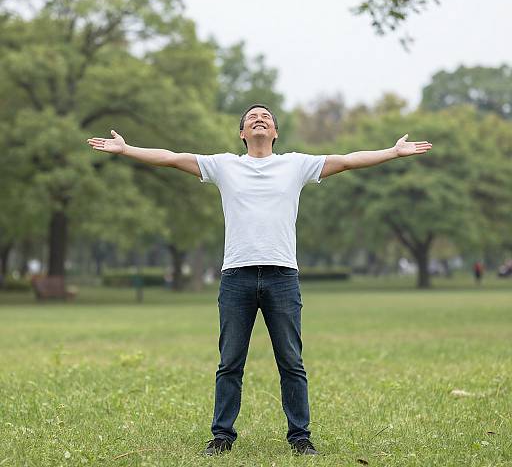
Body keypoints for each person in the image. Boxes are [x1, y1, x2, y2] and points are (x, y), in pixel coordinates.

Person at [86, 104, 432, 456]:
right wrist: (127, 149)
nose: (259, 119)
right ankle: (222, 436)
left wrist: (392, 152)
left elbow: (346, 160)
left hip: (283, 276)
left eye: (266, 116)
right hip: (236, 276)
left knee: (291, 362)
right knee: (230, 361)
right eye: (252, 117)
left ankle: (300, 437)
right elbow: (172, 158)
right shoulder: (224, 166)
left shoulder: (296, 165)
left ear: (276, 132)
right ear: (242, 133)